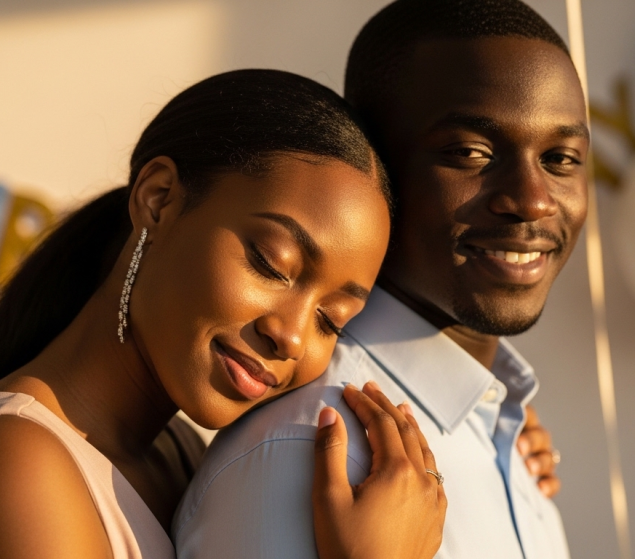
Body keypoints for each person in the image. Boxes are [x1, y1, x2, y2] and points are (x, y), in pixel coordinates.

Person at [0, 69, 449, 559]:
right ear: (159, 199)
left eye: (333, 318)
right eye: (271, 264)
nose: (292, 336)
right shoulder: (10, 464)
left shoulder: (178, 455)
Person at [172, 1, 586, 557]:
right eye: (471, 152)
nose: (533, 200)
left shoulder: (507, 433)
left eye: (561, 158)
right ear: (376, 167)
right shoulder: (314, 449)